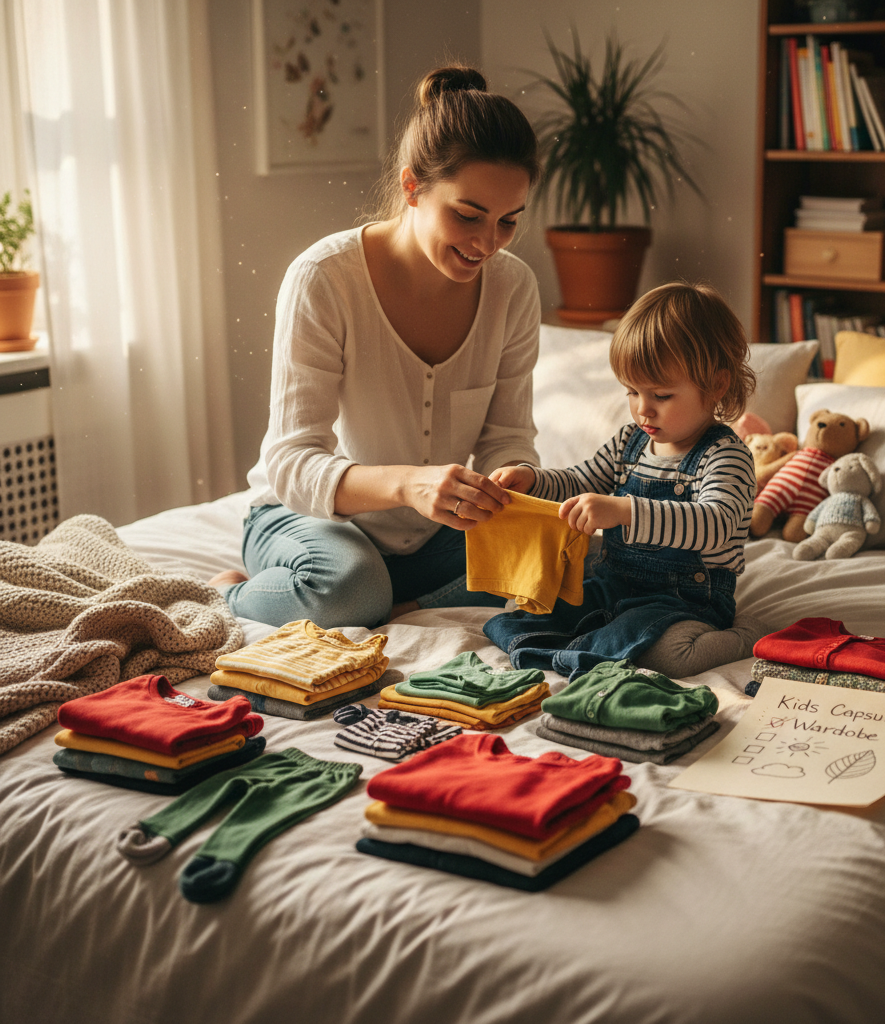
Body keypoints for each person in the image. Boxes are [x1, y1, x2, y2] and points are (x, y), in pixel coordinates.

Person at [212, 66, 542, 629]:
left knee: (582, 560)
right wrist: (409, 484)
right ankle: (227, 594)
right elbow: (291, 463)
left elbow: (507, 437)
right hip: (311, 521)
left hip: (435, 535)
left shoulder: (514, 289)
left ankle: (399, 606)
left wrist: (513, 481)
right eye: (468, 215)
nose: (487, 243)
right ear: (413, 187)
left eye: (508, 221)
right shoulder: (324, 278)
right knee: (348, 587)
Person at [482, 281, 769, 681]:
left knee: (669, 657)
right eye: (632, 392)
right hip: (615, 586)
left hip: (685, 601)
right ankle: (597, 642)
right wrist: (532, 479)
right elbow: (579, 479)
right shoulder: (629, 443)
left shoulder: (726, 455)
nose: (642, 409)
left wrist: (624, 510)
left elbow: (716, 525)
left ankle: (746, 636)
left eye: (662, 395)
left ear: (717, 385)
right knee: (518, 619)